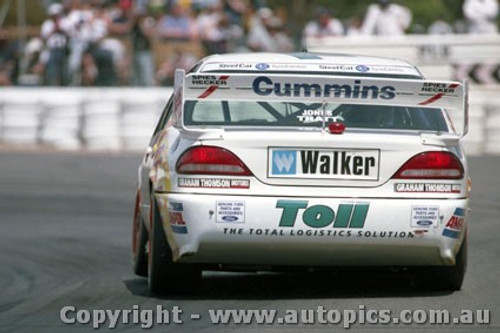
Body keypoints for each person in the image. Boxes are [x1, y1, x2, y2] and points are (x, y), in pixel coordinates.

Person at [40, 3, 69, 85]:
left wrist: (61, 28)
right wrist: (53, 30)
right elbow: (43, 37)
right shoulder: (47, 24)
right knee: (52, 69)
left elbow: (70, 33)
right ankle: (52, 84)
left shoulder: (65, 22)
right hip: (52, 50)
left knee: (63, 70)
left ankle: (63, 85)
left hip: (63, 49)